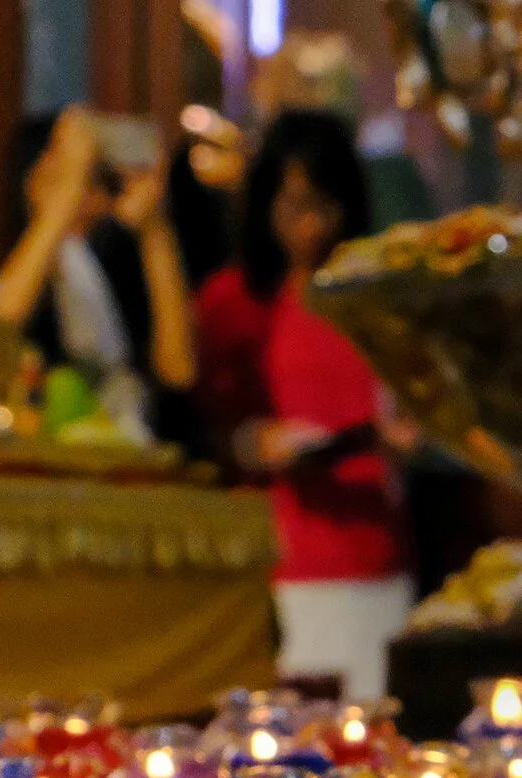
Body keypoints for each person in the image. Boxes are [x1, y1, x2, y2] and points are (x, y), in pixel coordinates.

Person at [195, 108, 413, 701]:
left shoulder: (374, 301)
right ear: (265, 204)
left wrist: (404, 438)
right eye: (295, 206)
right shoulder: (237, 302)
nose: (312, 226)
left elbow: (411, 412)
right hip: (278, 560)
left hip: (373, 553)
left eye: (326, 206)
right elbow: (201, 429)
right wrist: (253, 442)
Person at [0, 107, 196, 446]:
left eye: (94, 183)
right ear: (28, 182)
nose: (84, 198)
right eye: (63, 179)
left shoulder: (109, 273)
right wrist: (63, 199)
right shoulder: (1, 285)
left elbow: (178, 370)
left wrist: (154, 225)